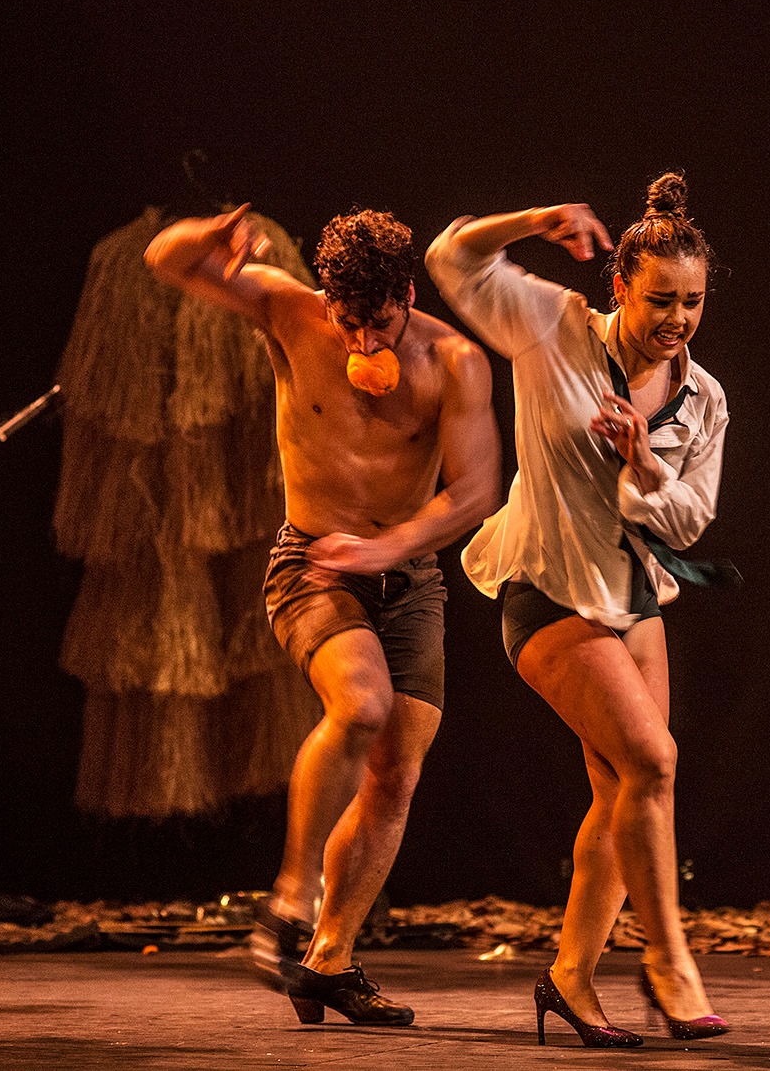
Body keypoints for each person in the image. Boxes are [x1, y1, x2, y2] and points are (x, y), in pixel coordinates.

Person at [145, 205, 501, 1025]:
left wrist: (388, 548)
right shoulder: (289, 311)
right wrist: (213, 236)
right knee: (362, 705)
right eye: (350, 323)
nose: (364, 343)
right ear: (328, 300)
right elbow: (166, 259)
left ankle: (328, 960)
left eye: (379, 323)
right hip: (311, 565)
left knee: (396, 773)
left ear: (408, 296)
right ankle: (289, 898)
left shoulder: (455, 361)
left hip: (409, 578)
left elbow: (477, 489)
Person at [425, 172, 732, 1049]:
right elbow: (450, 258)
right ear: (621, 286)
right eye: (660, 299)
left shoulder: (705, 398)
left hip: (637, 600)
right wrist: (534, 219)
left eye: (692, 302)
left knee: (625, 790)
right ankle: (669, 961)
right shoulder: (551, 325)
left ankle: (570, 977)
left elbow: (689, 519)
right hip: (548, 588)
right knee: (654, 761)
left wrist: (643, 463)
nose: (676, 319)